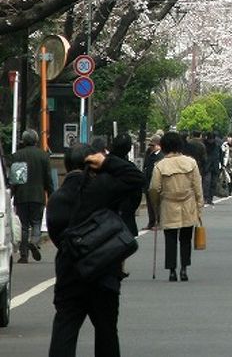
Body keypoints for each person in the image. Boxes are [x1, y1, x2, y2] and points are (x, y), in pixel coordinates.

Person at [46, 142, 144, 357]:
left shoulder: (56, 199)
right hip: (104, 270)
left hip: (69, 270)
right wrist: (108, 161)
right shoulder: (103, 188)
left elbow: (55, 236)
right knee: (106, 331)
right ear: (93, 162)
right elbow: (137, 178)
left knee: (65, 328)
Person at [149, 131, 203, 282]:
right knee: (186, 238)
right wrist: (199, 206)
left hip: (168, 204)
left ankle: (172, 271)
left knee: (170, 238)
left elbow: (154, 188)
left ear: (164, 146)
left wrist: (155, 207)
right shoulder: (190, 162)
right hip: (188, 203)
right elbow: (197, 186)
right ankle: (184, 269)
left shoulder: (160, 165)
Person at [10, 128, 54, 264]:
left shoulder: (17, 156)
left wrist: (11, 193)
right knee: (36, 223)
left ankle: (24, 255)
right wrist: (51, 193)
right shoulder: (43, 156)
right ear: (36, 140)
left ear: (23, 141)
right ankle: (34, 242)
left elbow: (16, 179)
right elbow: (48, 178)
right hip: (38, 195)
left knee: (23, 225)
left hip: (21, 195)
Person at [143, 133, 164, 228]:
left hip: (156, 182)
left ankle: (159, 221)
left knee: (157, 204)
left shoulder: (161, 156)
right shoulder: (149, 154)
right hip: (148, 181)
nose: (151, 147)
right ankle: (151, 222)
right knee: (150, 204)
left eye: (153, 145)